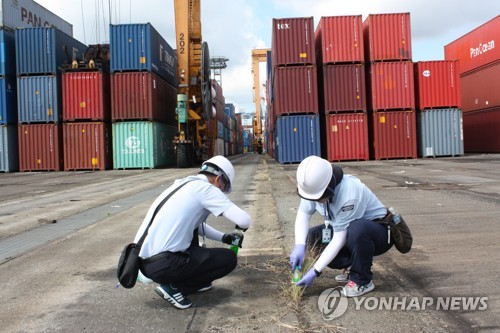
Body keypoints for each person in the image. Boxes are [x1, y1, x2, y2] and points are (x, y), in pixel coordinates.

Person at [135, 155, 252, 309]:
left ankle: (195, 283)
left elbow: (199, 226)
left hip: (145, 262)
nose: (222, 193)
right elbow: (244, 220)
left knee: (194, 238)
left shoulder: (183, 184)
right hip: (165, 264)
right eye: (224, 188)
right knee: (229, 258)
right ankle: (176, 288)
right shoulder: (206, 189)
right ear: (219, 180)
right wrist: (238, 230)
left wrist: (224, 238)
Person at [289, 155, 393, 297]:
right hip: (349, 231)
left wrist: (315, 271)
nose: (316, 201)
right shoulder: (314, 188)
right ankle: (353, 266)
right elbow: (303, 215)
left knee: (357, 230)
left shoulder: (349, 193)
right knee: (312, 238)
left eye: (318, 197)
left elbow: (339, 238)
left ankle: (362, 280)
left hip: (379, 232)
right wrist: (299, 245)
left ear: (329, 187)